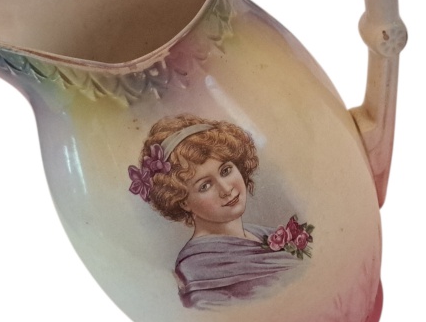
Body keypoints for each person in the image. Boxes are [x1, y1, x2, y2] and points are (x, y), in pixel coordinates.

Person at [128, 114, 309, 309]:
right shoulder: (197, 268)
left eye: (225, 171)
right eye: (205, 186)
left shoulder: (266, 235)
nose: (226, 189)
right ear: (183, 201)